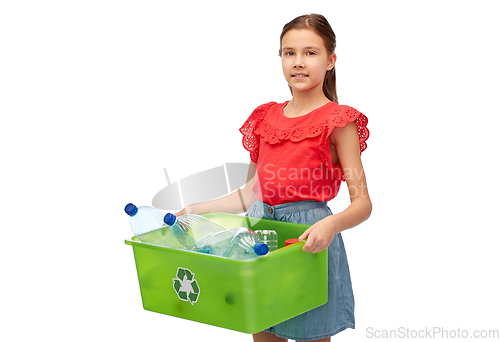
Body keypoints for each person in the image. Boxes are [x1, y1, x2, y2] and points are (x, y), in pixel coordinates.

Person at [176, 13, 371, 342]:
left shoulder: (339, 121)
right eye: (289, 53)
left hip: (307, 241)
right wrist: (199, 209)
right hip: (258, 236)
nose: (298, 62)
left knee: (311, 333)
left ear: (330, 60)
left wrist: (330, 224)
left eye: (310, 53)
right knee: (262, 330)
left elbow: (362, 203)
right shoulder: (265, 118)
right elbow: (253, 193)